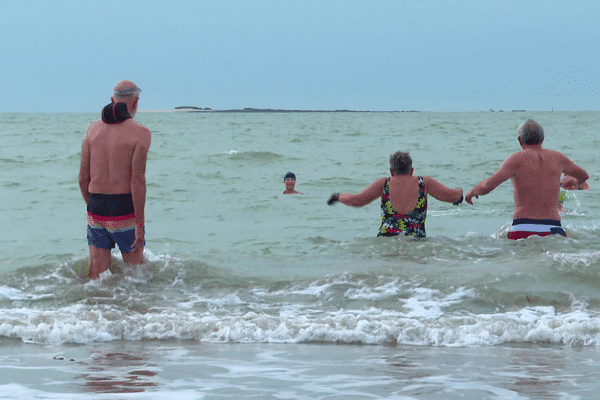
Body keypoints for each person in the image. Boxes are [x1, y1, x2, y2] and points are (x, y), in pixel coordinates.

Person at [465, 119, 588, 240]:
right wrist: (573, 181)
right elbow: (583, 176)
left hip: (523, 227)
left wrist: (472, 192)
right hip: (553, 228)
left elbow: (488, 185)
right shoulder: (558, 158)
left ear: (519, 140)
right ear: (543, 138)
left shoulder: (516, 159)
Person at [78, 80, 152, 279]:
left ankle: (92, 309)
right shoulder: (141, 133)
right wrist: (139, 224)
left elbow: (83, 178)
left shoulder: (91, 129)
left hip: (96, 207)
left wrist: (92, 206)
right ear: (136, 102)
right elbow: (137, 180)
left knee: (97, 275)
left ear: (112, 100)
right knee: (134, 274)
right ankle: (135, 309)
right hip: (124, 209)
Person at [327, 151, 463, 238]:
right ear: (412, 170)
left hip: (386, 244)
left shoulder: (384, 183)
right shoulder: (424, 183)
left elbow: (358, 200)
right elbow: (451, 196)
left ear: (391, 171)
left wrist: (338, 196)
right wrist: (460, 193)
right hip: (416, 244)